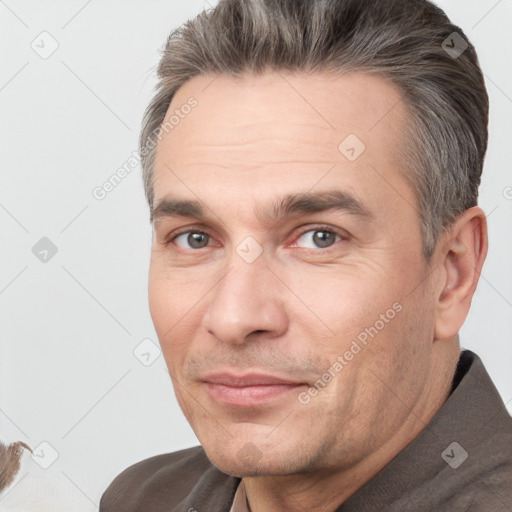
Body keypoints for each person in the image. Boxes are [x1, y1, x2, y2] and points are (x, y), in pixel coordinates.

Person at [99, 0, 512, 510]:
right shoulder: (145, 499)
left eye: (319, 237)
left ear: (453, 273)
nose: (234, 318)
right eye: (195, 238)